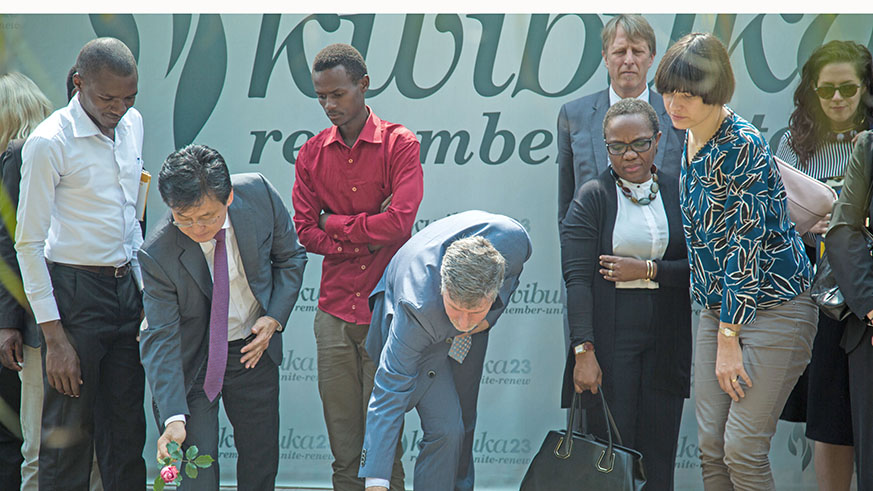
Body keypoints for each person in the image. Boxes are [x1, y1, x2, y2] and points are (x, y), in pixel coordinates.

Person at [654, 32, 817, 490]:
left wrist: (729, 338)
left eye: (688, 94)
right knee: (711, 449)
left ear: (716, 91)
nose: (674, 103)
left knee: (742, 450)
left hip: (774, 309)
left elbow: (744, 250)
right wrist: (719, 325)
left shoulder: (740, 144)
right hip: (716, 310)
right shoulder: (687, 139)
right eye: (669, 91)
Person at [14, 38, 147, 490]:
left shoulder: (133, 125)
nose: (119, 109)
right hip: (73, 297)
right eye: (108, 98)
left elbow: (132, 217)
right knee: (68, 441)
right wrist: (55, 338)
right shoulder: (49, 142)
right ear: (78, 83)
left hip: (126, 291)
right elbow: (29, 243)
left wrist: (143, 293)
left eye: (129, 98)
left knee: (127, 437)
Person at [291, 43, 422, 491]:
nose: (329, 105)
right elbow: (306, 232)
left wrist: (336, 223)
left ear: (364, 86)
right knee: (344, 449)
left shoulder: (399, 144)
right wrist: (367, 233)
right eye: (321, 96)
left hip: (384, 312)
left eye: (339, 94)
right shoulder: (310, 155)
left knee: (384, 450)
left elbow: (401, 223)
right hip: (332, 315)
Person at [138, 144, 307, 490]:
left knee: (260, 461)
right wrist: (172, 418)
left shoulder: (259, 195)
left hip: (252, 350)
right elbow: (161, 336)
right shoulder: (157, 254)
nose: (197, 228)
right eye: (183, 218)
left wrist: (274, 317)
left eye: (207, 217)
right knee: (197, 471)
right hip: (195, 361)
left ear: (228, 198)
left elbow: (290, 258)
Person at [560, 98, 691, 490]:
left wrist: (648, 270)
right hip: (610, 341)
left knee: (659, 462)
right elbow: (578, 282)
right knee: (610, 461)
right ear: (605, 146)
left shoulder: (678, 192)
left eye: (640, 143)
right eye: (617, 146)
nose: (629, 154)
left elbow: (700, 270)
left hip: (667, 340)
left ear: (659, 140)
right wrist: (584, 351)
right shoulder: (592, 197)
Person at [359, 210, 532, 491]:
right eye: (456, 308)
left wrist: (486, 320)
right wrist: (376, 483)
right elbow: (388, 394)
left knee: (464, 421)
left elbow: (511, 279)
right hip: (424, 325)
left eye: (474, 309)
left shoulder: (514, 242)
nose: (463, 322)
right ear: (443, 287)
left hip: (469, 336)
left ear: (492, 291)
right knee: (446, 429)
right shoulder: (415, 310)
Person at [0, 69, 106, 491]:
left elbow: (9, 243)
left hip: (60, 318)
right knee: (47, 446)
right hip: (48, 318)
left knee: (59, 445)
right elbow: (16, 243)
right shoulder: (38, 149)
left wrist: (7, 319)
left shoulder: (24, 152)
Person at [775, 40, 873, 491]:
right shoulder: (791, 147)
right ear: (811, 92)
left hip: (868, 294)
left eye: (848, 88)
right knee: (831, 419)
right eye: (826, 89)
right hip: (822, 301)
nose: (837, 98)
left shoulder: (870, 143)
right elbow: (773, 227)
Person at [557, 14, 684, 226]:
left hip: (662, 248)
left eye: (637, 51)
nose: (628, 60)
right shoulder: (573, 115)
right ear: (605, 58)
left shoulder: (677, 114)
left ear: (651, 57)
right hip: (596, 248)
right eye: (619, 51)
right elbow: (566, 204)